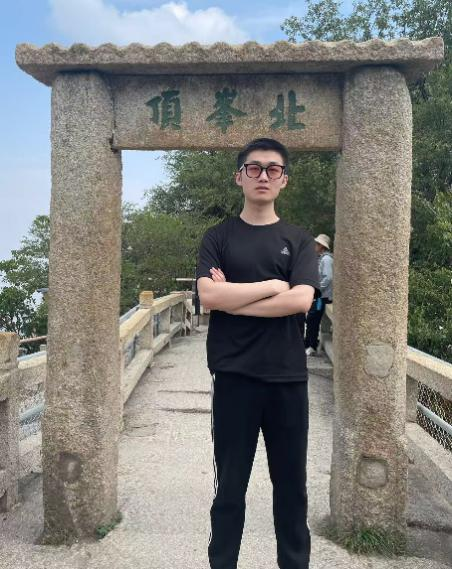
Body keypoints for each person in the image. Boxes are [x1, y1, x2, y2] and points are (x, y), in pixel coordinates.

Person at [196, 138, 320, 569]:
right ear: (239, 177)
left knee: (291, 489)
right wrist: (271, 286)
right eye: (254, 168)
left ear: (284, 180)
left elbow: (300, 301)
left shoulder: (298, 240)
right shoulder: (219, 237)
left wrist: (233, 298)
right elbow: (208, 296)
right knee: (230, 489)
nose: (263, 175)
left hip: (287, 379)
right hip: (234, 377)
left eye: (273, 169)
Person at [304, 234, 333, 356]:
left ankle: (311, 345)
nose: (314, 246)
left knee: (312, 318)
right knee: (311, 318)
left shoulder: (326, 259)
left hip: (322, 296)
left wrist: (317, 288)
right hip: (320, 295)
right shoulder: (322, 258)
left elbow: (328, 278)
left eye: (316, 244)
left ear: (321, 246)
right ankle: (309, 343)